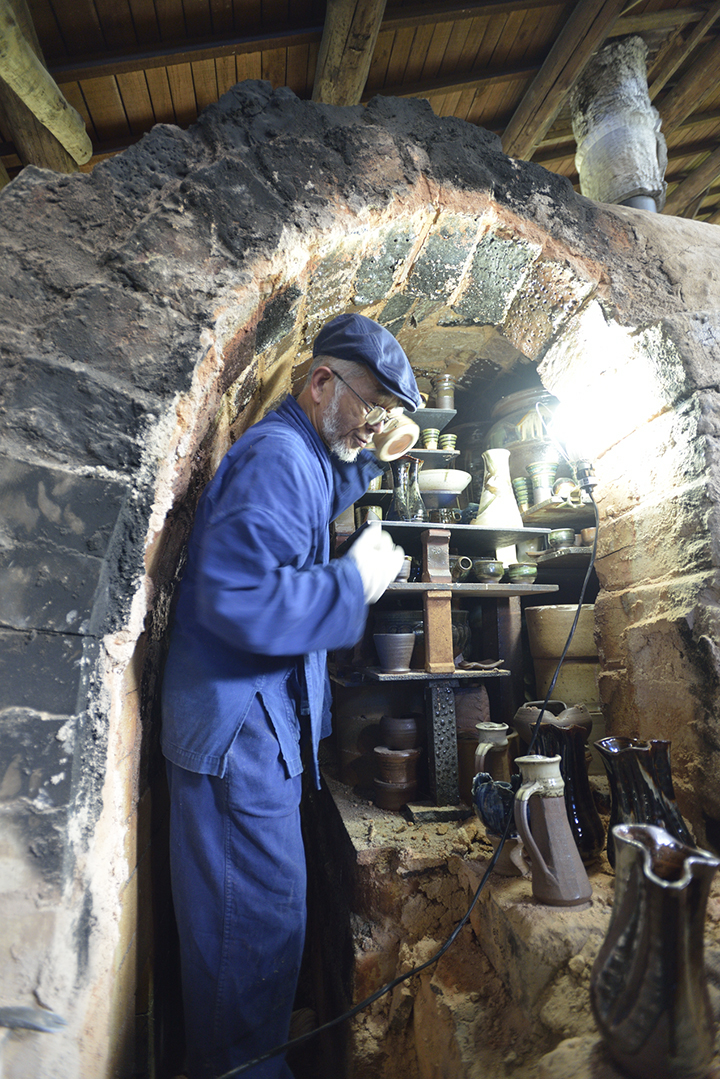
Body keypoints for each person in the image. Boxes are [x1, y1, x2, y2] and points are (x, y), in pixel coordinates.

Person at [161, 313, 421, 1079]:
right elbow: (237, 600)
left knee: (264, 935)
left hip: (254, 732)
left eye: (384, 414)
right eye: (371, 405)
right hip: (238, 740)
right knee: (247, 945)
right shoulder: (277, 457)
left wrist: (371, 455)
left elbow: (318, 484)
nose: (374, 423)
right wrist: (352, 582)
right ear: (320, 382)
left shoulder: (302, 451)